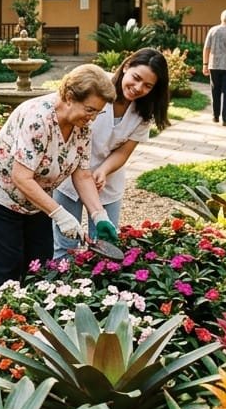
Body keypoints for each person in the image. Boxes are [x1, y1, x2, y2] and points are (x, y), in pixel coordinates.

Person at [0, 64, 117, 295]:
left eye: (97, 113)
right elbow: (22, 177)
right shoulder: (38, 118)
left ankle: (33, 321)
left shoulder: (82, 127)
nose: (92, 118)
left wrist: (99, 214)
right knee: (7, 267)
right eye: (89, 110)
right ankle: (4, 322)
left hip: (36, 196)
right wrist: (60, 215)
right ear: (69, 97)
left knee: (39, 264)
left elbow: (82, 173)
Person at [52, 48, 170, 256]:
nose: (138, 88)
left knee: (106, 246)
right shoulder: (97, 86)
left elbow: (123, 152)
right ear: (126, 67)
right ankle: (59, 287)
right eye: (136, 78)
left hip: (107, 183)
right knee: (65, 244)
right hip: (70, 177)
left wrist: (104, 171)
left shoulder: (145, 113)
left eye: (148, 86)